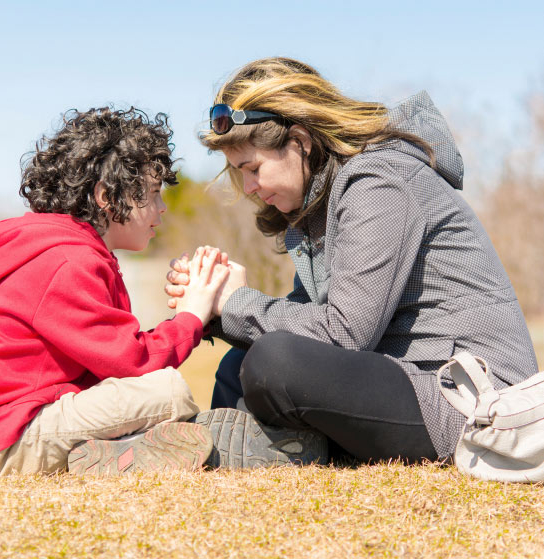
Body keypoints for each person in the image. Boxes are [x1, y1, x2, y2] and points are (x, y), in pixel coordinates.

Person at [165, 57, 539, 463]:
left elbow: (344, 332)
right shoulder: (322, 207)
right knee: (238, 362)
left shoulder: (379, 181)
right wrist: (209, 307)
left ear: (301, 142)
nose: (249, 187)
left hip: (474, 399)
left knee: (273, 361)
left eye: (253, 168)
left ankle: (273, 448)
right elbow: (310, 319)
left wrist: (235, 302)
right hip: (410, 377)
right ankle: (215, 456)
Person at [0, 106, 325, 477]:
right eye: (153, 193)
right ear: (108, 197)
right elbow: (133, 362)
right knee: (167, 392)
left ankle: (133, 448)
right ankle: (144, 446)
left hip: (10, 427)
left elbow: (114, 359)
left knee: (154, 392)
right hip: (4, 440)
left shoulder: (69, 253)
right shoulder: (67, 262)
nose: (162, 209)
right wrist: (192, 314)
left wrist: (198, 316)